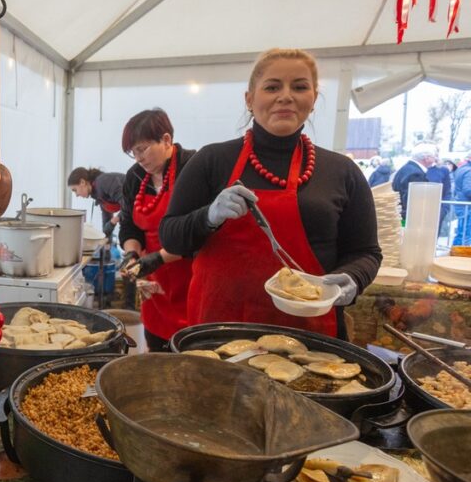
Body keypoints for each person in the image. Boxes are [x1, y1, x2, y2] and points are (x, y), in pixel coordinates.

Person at [159, 48, 381, 339]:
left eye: (299, 87)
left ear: (313, 99)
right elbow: (171, 237)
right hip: (219, 330)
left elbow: (365, 252)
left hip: (308, 334)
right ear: (250, 99)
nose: (286, 96)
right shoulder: (211, 160)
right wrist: (209, 216)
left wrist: (351, 280)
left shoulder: (342, 171)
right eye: (272, 86)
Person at [117, 108, 195, 351]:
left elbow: (200, 231)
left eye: (143, 149)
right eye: (133, 152)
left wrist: (159, 258)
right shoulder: (136, 176)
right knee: (157, 346)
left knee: (189, 350)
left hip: (191, 274)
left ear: (166, 140)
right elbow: (129, 225)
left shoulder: (192, 167)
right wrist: (132, 254)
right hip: (154, 279)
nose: (138, 158)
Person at [67, 167, 125, 240]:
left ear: (82, 182)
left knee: (125, 233)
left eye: (75, 190)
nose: (77, 195)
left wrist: (113, 222)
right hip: (134, 208)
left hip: (139, 202)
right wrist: (106, 241)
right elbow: (106, 221)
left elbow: (127, 204)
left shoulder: (103, 182)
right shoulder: (97, 194)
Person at [392, 143, 437, 221]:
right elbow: (413, 201)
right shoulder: (416, 174)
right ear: (426, 158)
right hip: (408, 219)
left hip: (399, 215)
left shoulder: (406, 168)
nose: (435, 159)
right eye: (434, 156)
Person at [453, 153, 471, 245]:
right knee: (466, 234)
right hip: (466, 206)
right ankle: (461, 256)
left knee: (462, 233)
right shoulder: (469, 171)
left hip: (462, 204)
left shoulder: (462, 168)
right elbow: (468, 190)